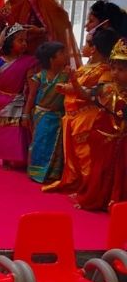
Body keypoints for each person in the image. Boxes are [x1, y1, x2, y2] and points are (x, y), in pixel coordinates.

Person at [44, 28, 119, 193]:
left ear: (94, 48)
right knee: (73, 157)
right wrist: (67, 86)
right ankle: (77, 184)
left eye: (86, 43)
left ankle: (87, 189)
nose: (82, 47)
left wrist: (71, 86)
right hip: (72, 117)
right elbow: (78, 86)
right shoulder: (87, 67)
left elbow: (93, 94)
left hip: (86, 118)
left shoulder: (104, 70)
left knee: (85, 156)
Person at [73, 38, 127, 211]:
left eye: (121, 70)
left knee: (121, 171)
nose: (115, 73)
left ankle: (116, 203)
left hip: (123, 141)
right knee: (100, 169)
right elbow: (86, 95)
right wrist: (74, 82)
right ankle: (95, 198)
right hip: (104, 139)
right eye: (113, 68)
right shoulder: (107, 88)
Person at [0, 24, 36, 167]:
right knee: (3, 129)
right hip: (0, 99)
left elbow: (32, 87)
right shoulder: (0, 60)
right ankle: (5, 158)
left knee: (15, 130)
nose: (24, 44)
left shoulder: (28, 62)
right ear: (10, 42)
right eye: (20, 40)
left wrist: (27, 111)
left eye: (25, 41)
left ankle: (16, 157)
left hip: (17, 100)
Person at [26, 42, 69, 183]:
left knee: (55, 145)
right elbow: (31, 96)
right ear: (52, 59)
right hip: (42, 115)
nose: (66, 56)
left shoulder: (67, 76)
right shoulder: (40, 76)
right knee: (40, 142)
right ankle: (36, 172)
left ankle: (52, 174)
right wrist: (25, 114)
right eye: (61, 53)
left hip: (58, 116)